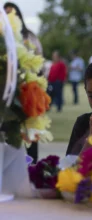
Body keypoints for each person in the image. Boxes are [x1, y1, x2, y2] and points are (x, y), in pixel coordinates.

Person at [4, 2, 43, 164]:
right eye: (5, 15)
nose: (9, 17)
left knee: (30, 131)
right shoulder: (2, 38)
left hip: (28, 90)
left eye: (12, 14)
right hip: (6, 94)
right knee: (9, 133)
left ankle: (33, 167)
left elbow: (39, 64)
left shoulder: (30, 37)